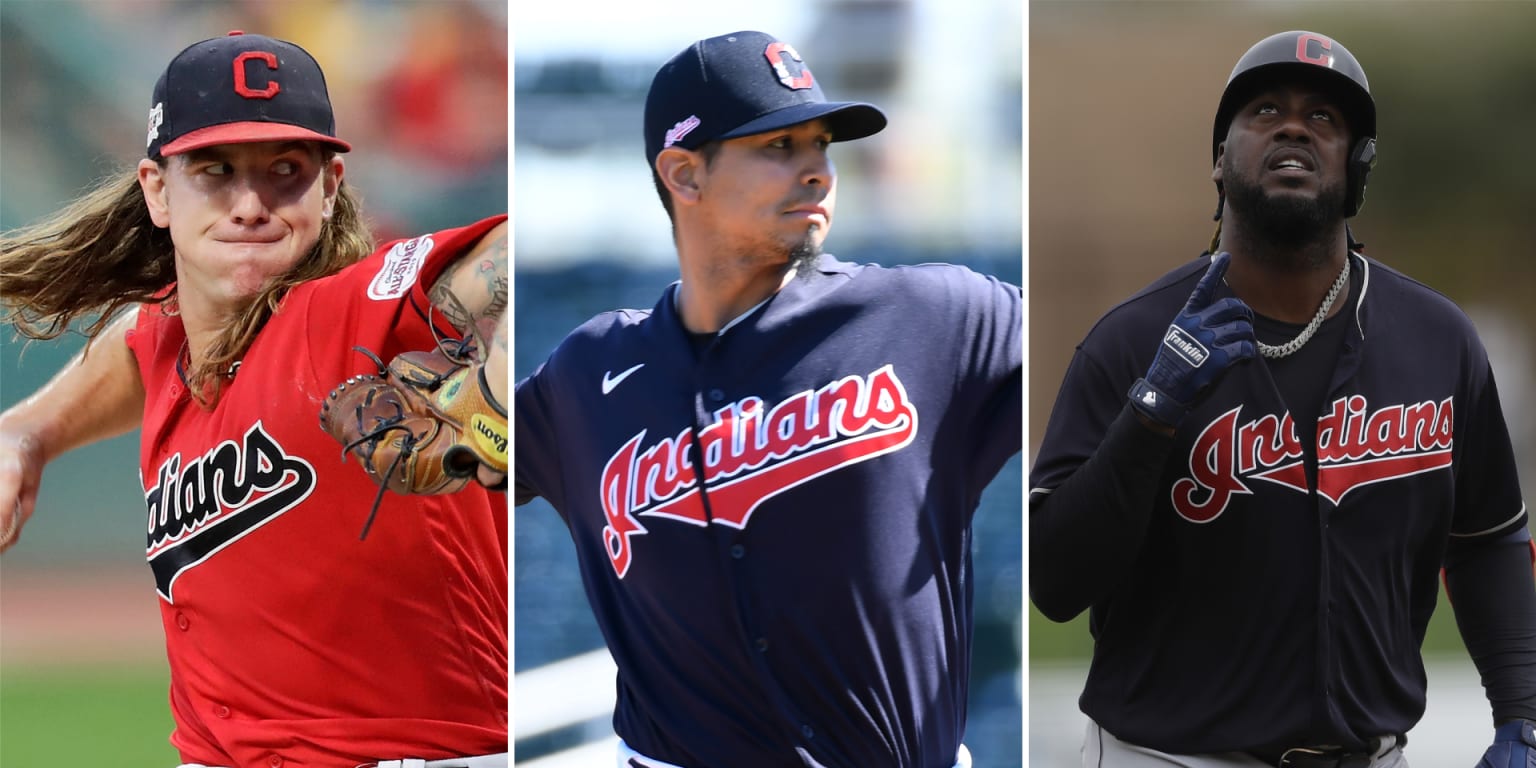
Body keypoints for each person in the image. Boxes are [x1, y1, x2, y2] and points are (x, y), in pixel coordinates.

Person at [0, 31, 509, 768]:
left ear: (330, 188)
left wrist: (494, 382)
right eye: (215, 171)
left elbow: (507, 257)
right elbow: (143, 342)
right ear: (156, 190)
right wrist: (26, 434)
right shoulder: (166, 341)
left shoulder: (347, 316)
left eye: (285, 171)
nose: (250, 203)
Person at [514, 30, 1022, 768]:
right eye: (779, 146)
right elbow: (450, 474)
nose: (816, 170)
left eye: (822, 145)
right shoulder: (587, 372)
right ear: (684, 175)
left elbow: (1105, 373)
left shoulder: (939, 317)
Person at [1029, 29, 1535, 767]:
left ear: (1357, 168)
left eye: (1325, 118)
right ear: (1219, 159)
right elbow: (1054, 582)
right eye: (1264, 110)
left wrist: (1522, 713)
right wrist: (1149, 414)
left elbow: (1487, 537)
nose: (1295, 125)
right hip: (1166, 757)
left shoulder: (1439, 341)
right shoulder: (1133, 340)